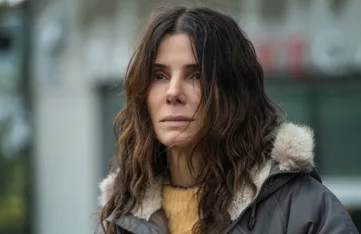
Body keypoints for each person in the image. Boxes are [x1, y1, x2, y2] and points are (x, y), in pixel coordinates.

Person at [98, 6, 359, 234]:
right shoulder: (124, 214)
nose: (173, 93)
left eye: (196, 75)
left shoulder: (303, 209)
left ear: (234, 92)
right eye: (159, 76)